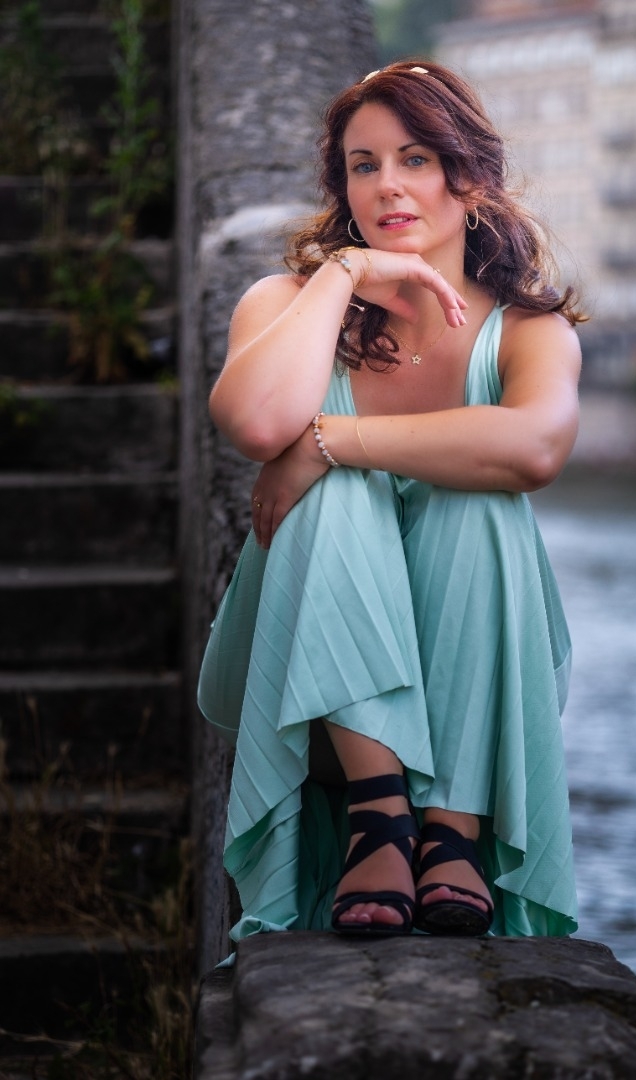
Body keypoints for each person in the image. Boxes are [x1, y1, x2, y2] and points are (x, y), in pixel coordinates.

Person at [198, 60, 584, 947]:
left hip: (466, 700)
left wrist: (329, 442)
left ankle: (452, 830)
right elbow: (256, 425)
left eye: (415, 159)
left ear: (470, 177)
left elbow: (533, 449)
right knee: (337, 501)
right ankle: (380, 820)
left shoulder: (527, 330)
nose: (387, 186)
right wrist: (342, 276)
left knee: (478, 502)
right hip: (303, 688)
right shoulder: (286, 302)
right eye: (362, 165)